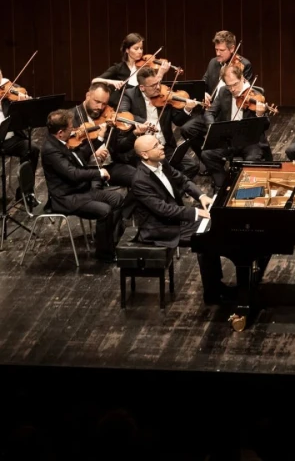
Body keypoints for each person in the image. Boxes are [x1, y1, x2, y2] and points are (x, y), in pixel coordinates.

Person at [130, 134, 234, 304]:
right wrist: (195, 212)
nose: (162, 146)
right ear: (144, 154)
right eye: (156, 145)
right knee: (206, 238)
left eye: (159, 142)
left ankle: (216, 286)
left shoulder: (161, 163)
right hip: (159, 228)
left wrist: (201, 196)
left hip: (174, 219)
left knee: (211, 231)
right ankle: (213, 293)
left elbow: (183, 180)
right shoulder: (140, 181)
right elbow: (163, 210)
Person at [41, 109, 125, 262]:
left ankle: (111, 242)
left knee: (117, 199)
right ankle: (104, 254)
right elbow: (72, 173)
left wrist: (99, 138)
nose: (74, 130)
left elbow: (80, 157)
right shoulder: (51, 150)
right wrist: (98, 173)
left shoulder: (62, 142)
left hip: (81, 191)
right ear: (60, 133)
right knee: (105, 210)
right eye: (70, 128)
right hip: (67, 197)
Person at [119, 66, 200, 180]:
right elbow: (123, 113)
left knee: (192, 166)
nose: (158, 87)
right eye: (153, 85)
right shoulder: (130, 95)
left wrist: (187, 109)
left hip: (164, 146)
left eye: (158, 83)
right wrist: (144, 122)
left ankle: (171, 187)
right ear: (142, 87)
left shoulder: (164, 95)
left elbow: (178, 121)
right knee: (158, 173)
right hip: (145, 150)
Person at [200, 64, 272, 190]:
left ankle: (247, 190)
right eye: (229, 85)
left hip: (251, 142)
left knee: (252, 160)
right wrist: (214, 127)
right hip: (230, 140)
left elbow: (265, 126)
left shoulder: (255, 95)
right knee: (207, 154)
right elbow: (209, 112)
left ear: (242, 78)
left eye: (235, 84)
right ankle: (223, 186)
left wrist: (260, 114)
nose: (232, 89)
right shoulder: (223, 92)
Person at [70, 83, 151, 188]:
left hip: (110, 165)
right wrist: (92, 152)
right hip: (88, 169)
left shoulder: (109, 116)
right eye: (97, 102)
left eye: (104, 104)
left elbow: (120, 147)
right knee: (95, 189)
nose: (100, 107)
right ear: (88, 96)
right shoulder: (71, 118)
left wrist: (134, 133)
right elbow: (69, 154)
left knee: (141, 179)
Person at [180, 30, 253, 145]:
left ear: (232, 48)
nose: (218, 53)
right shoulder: (213, 63)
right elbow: (203, 83)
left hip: (228, 112)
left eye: (222, 50)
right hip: (211, 111)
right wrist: (203, 93)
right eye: (216, 49)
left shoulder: (244, 65)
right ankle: (205, 153)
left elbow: (244, 92)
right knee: (187, 129)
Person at [92, 33, 172, 108]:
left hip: (142, 106)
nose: (140, 51)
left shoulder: (145, 69)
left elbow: (153, 89)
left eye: (141, 48)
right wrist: (112, 82)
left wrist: (160, 73)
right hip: (125, 106)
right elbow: (95, 81)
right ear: (127, 50)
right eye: (136, 49)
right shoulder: (118, 68)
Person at [0, 68, 40, 205]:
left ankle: (25, 193)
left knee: (32, 149)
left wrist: (24, 101)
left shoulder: (8, 89)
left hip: (9, 138)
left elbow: (20, 93)